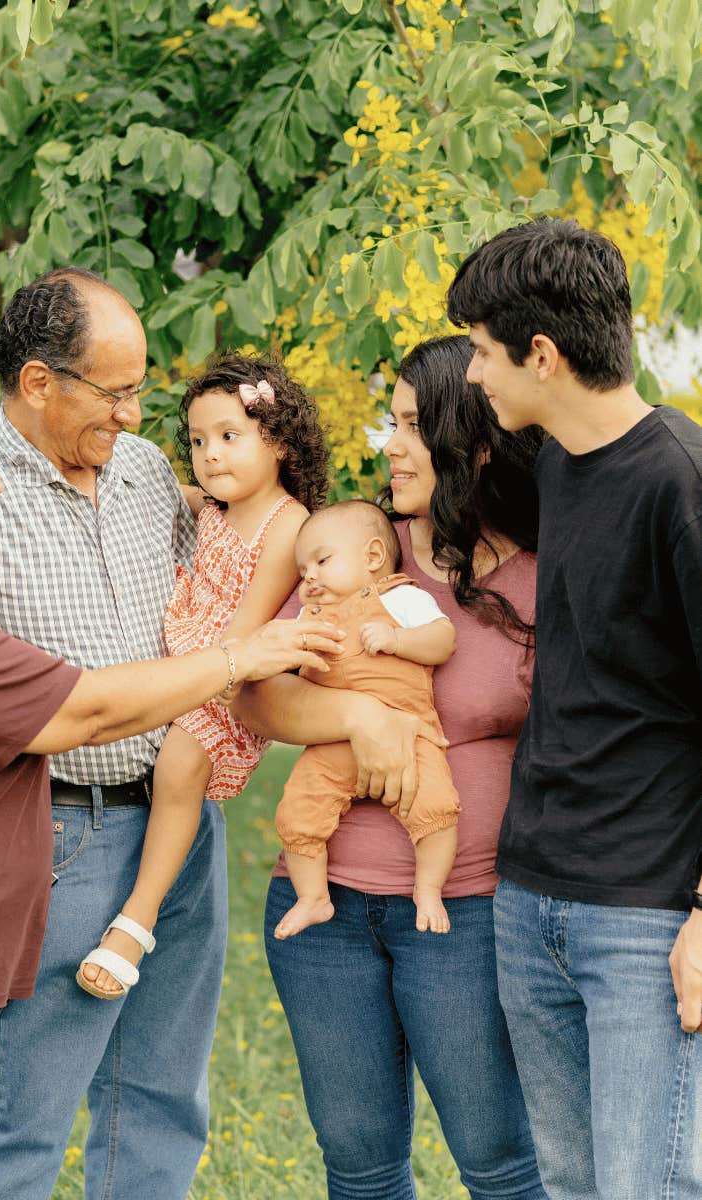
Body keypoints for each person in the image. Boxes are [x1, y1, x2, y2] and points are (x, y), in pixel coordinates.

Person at [0, 270, 344, 1200]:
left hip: (179, 818)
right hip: (59, 829)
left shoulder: (150, 470)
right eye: (114, 391)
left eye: (140, 391)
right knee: (25, 1116)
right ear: (40, 382)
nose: (131, 414)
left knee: (163, 1099)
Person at [236, 335, 547, 1199]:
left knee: (500, 1161)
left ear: (473, 441)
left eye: (413, 426)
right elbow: (254, 695)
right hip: (325, 908)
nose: (390, 446)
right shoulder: (354, 552)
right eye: (392, 422)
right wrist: (358, 713)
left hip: (470, 911)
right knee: (361, 1167)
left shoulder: (541, 574)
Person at [447, 217, 702, 1199]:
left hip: (643, 913)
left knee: (647, 1186)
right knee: (573, 1185)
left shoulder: (678, 481)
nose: (473, 376)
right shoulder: (552, 458)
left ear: (541, 355)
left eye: (480, 352)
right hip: (533, 895)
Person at [76, 354, 329, 999]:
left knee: (182, 760)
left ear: (277, 440)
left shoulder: (288, 524)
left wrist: (190, 671)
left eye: (229, 436)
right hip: (183, 649)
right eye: (197, 441)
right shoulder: (210, 502)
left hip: (230, 672)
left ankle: (138, 918)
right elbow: (150, 492)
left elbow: (243, 634)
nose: (210, 455)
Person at [273, 499, 459, 939]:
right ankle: (312, 897)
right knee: (299, 809)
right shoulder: (308, 618)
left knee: (435, 806)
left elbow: (443, 640)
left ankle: (429, 889)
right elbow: (283, 678)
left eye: (322, 561)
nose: (310, 577)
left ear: (373, 557)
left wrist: (397, 640)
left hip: (408, 733)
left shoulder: (402, 597)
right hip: (333, 743)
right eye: (303, 572)